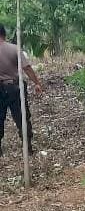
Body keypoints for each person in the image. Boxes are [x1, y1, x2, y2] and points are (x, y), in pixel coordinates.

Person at [0, 24, 43, 157]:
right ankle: (27, 146)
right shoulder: (14, 49)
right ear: (4, 33)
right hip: (15, 87)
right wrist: (37, 83)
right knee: (22, 117)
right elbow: (27, 68)